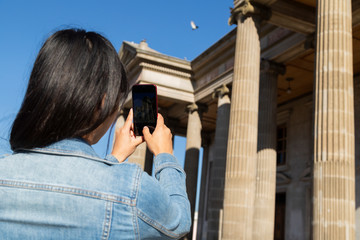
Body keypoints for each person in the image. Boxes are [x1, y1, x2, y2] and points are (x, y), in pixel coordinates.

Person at [0, 29, 191, 239]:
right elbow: (178, 222)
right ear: (102, 101)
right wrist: (165, 155)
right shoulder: (131, 191)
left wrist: (113, 160)